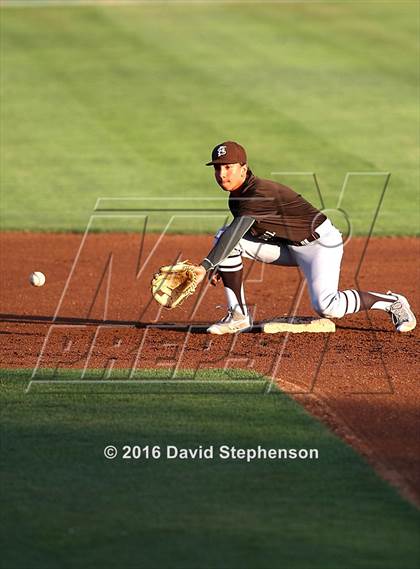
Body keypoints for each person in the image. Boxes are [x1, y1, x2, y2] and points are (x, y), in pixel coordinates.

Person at [191, 141, 416, 335]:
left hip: (320, 245)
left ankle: (393, 302)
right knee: (224, 238)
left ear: (244, 168)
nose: (222, 174)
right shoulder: (236, 198)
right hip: (289, 247)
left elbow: (236, 231)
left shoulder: (259, 193)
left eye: (228, 167)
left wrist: (206, 266)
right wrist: (224, 262)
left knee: (328, 307)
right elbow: (243, 233)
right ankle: (238, 316)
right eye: (218, 168)